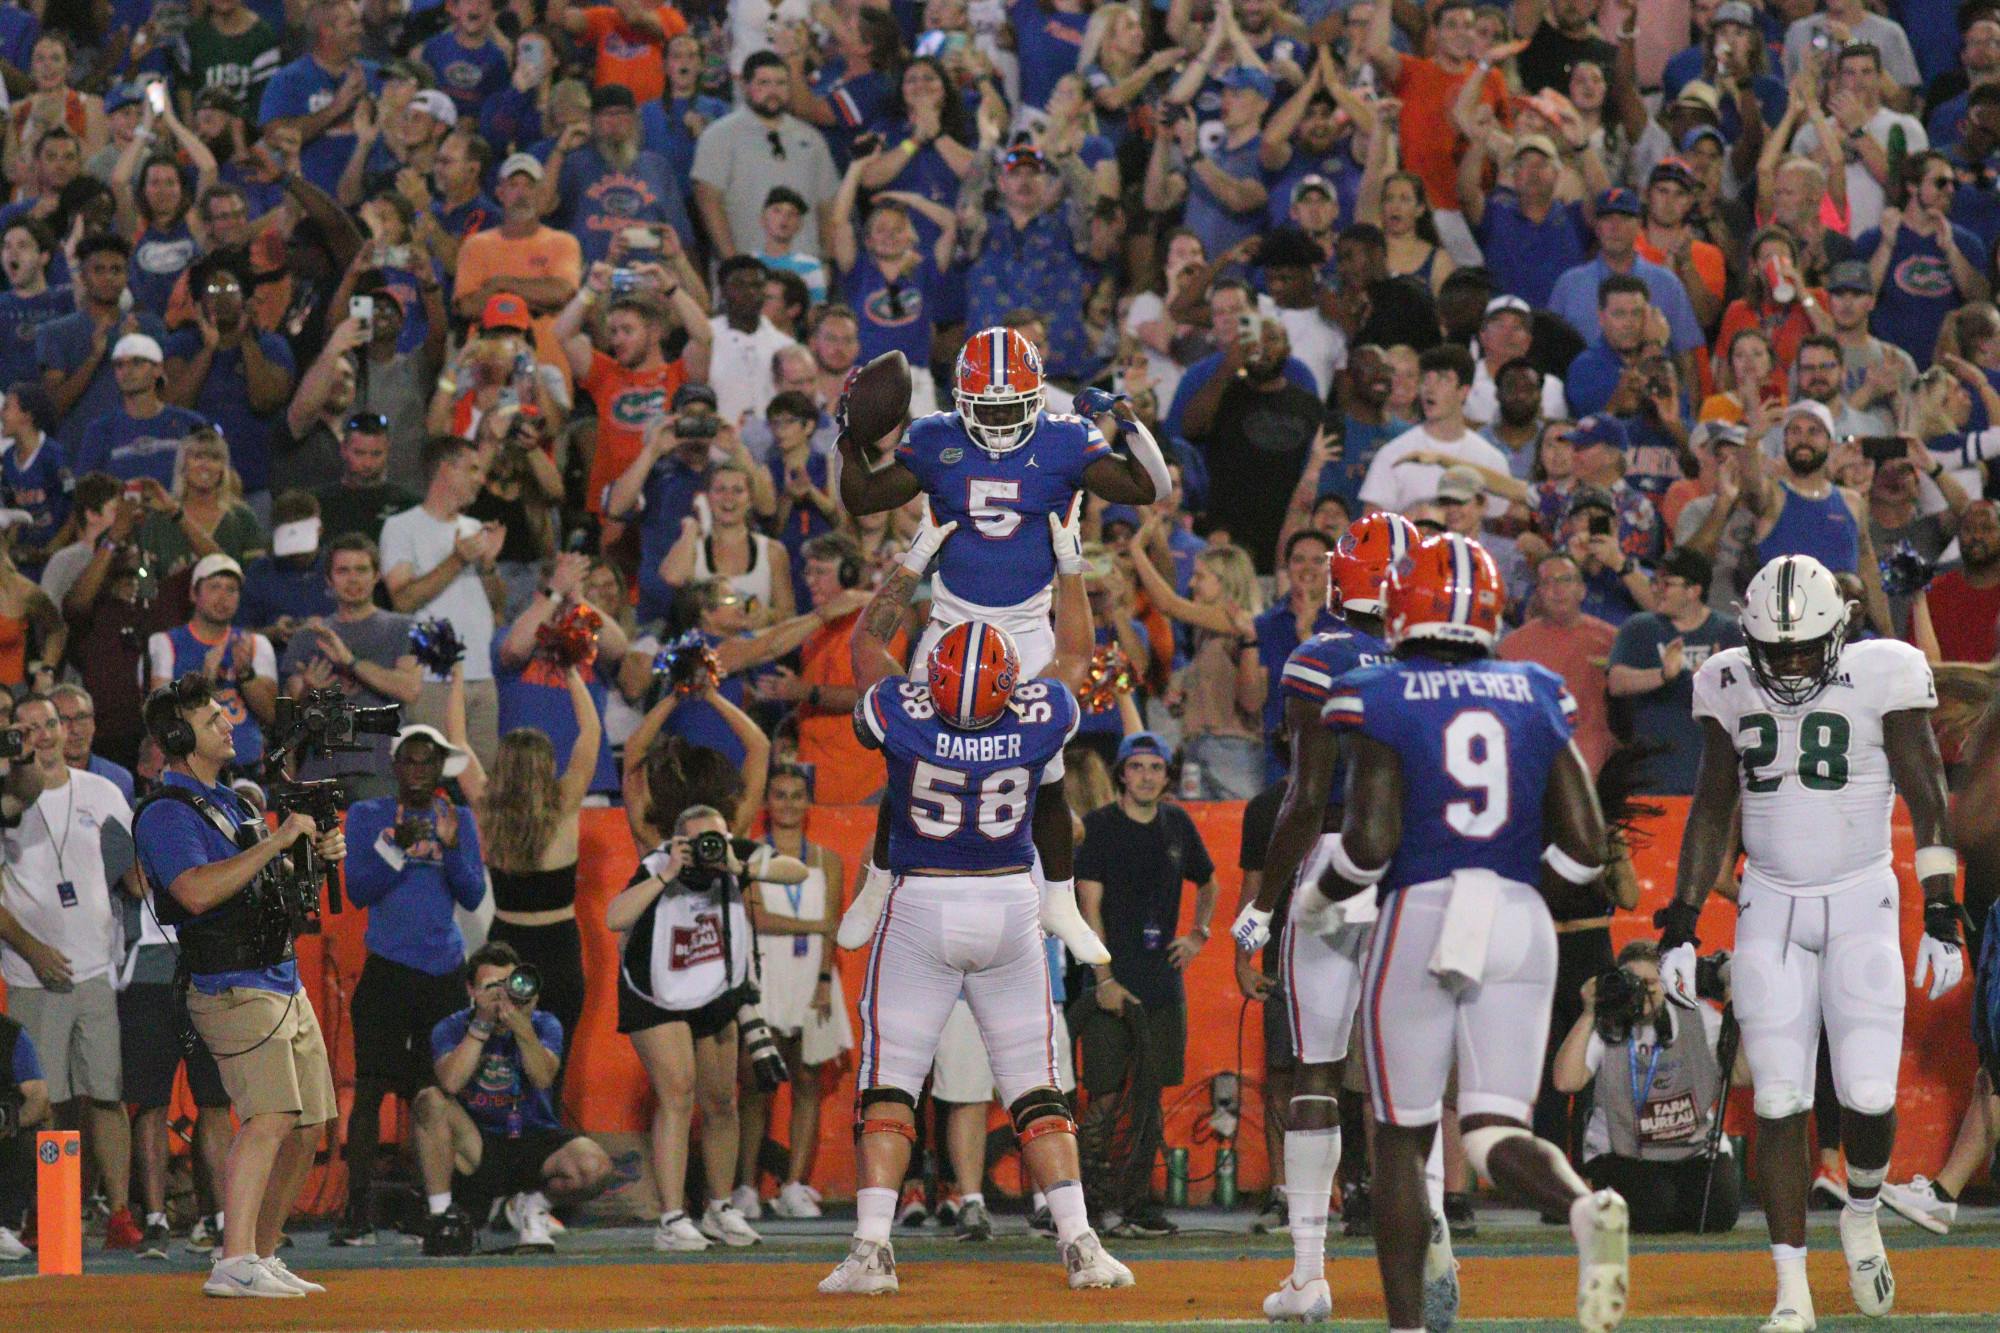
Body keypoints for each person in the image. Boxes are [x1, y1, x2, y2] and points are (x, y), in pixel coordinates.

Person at [1305, 532, 1629, 1333]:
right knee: (1491, 1132)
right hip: (1518, 918)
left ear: (1402, 602)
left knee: (1402, 1138)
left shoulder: (1375, 691)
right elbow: (1590, 845)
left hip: (1421, 912)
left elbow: (1372, 840)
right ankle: (1586, 1211)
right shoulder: (1533, 686)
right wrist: (1512, 887)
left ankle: (1409, 1327)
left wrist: (1322, 897)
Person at [821, 495, 1130, 1295]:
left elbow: (864, 643)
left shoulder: (904, 712)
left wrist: (916, 555)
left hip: (922, 902)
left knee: (890, 1081)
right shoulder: (1034, 716)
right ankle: (1082, 1244)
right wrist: (1069, 569)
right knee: (1035, 1083)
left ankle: (871, 1250)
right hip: (1006, 905)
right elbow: (1073, 657)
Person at [1657, 553, 1965, 1331]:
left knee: (1867, 1096)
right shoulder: (1727, 678)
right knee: (1782, 1096)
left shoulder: (1884, 670)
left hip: (1863, 899)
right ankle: (1789, 1284)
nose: (1792, 664)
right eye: (1778, 650)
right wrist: (1681, 919)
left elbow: (1927, 787)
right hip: (1772, 906)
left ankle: (1861, 1210)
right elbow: (1711, 802)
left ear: (1838, 632)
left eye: (1805, 648)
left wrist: (1938, 906)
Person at [1231, 513, 1466, 1322]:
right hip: (1421, 868)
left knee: (1318, 1070)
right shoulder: (1442, 656)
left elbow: (1302, 798)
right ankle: (1435, 1230)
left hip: (1336, 865)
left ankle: (1308, 1269)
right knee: (1416, 1072)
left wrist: (1261, 907)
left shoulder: (1321, 657)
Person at [132, 674, 346, 1298]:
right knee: (270, 1116)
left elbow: (266, 876)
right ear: (178, 738)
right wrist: (278, 839)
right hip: (230, 981)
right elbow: (195, 890)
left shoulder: (233, 802)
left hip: (278, 975)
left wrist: (310, 852)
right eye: (212, 719)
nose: (230, 724)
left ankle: (262, 1253)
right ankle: (231, 1259)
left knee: (307, 1125)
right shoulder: (166, 813)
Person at [836, 326, 1167, 678]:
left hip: (1027, 628)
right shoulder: (936, 438)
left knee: (1044, 726)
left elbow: (1149, 488)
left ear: (1037, 397)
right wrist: (848, 437)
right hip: (950, 619)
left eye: (1010, 408)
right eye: (986, 409)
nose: (997, 422)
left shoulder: (1065, 439)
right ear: (960, 401)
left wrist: (1123, 415)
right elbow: (862, 498)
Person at [608, 801, 792, 1252]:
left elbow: (796, 872)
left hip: (713, 990)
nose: (710, 847)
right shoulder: (659, 864)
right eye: (700, 840)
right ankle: (671, 1218)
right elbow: (615, 917)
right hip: (655, 993)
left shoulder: (730, 856)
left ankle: (719, 1207)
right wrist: (667, 873)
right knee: (677, 1094)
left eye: (718, 837)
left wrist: (736, 862)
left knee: (722, 1101)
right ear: (679, 841)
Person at [1, 693, 140, 1251]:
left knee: (106, 1093)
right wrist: (32, 949)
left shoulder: (103, 792)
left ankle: (120, 1213)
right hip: (35, 975)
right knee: (47, 1099)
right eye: (29, 727)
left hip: (94, 971)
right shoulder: (8, 799)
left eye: (51, 723)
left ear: (67, 729)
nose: (44, 734)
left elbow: (133, 874)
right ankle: (50, 1212)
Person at [413, 941, 614, 1254]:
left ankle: (532, 1206)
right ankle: (439, 1217)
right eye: (492, 986)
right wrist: (481, 1024)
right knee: (430, 1101)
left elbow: (543, 1077)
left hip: (534, 1138)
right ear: (471, 989)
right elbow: (451, 1082)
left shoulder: (543, 1024)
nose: (501, 995)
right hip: (478, 1145)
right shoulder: (451, 1027)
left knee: (594, 1165)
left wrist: (521, 1028)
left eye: (508, 985)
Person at [1550, 939, 1746, 1235]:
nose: (1643, 991)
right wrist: (1590, 1012)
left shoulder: (1697, 1016)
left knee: (1718, 1214)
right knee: (1652, 1212)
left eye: (1651, 982)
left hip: (1695, 1150)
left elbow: (1741, 1076)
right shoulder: (1608, 1024)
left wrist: (1737, 1008)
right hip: (1625, 1153)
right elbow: (1566, 1080)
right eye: (1634, 983)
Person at [731, 765, 851, 1220]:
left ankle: (795, 1185)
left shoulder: (826, 860)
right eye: (779, 795)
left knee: (807, 1083)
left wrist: (823, 981)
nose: (787, 804)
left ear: (807, 802)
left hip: (810, 979)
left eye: (796, 796)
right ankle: (744, 1186)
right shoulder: (752, 858)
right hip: (764, 978)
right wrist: (818, 925)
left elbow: (831, 933)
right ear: (767, 802)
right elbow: (756, 919)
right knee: (756, 1086)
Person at [381, 435, 504, 766]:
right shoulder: (401, 527)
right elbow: (403, 599)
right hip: (435, 680)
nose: (481, 478)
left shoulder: (473, 527)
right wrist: (457, 560)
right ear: (446, 470)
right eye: (473, 469)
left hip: (482, 674)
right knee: (434, 777)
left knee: (485, 786)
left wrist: (489, 565)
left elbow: (497, 607)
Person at [276, 535, 420, 802]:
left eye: (362, 570)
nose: (353, 579)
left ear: (377, 575)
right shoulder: (308, 637)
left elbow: (409, 689)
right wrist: (309, 690)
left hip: (381, 772)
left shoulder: (402, 628)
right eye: (343, 571)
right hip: (319, 773)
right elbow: (288, 714)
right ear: (329, 580)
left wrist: (350, 663)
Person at [1738, 401, 1892, 636]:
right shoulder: (1774, 497)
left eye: (1814, 431)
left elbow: (1868, 572)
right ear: (1784, 442)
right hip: (1787, 638)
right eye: (1795, 431)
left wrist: (1888, 635)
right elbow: (1751, 489)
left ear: (1830, 443)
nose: (1804, 439)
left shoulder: (1851, 502)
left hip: (1847, 638)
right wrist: (1750, 443)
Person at [1605, 550, 1742, 795]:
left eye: (1666, 583)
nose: (1656, 589)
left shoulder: (1729, 632)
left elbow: (1752, 695)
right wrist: (1663, 675)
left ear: (1693, 591)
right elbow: (1616, 682)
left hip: (1711, 779)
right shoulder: (1640, 628)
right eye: (1655, 581)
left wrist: (1717, 682)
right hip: (1651, 777)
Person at [146, 553, 279, 773]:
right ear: (193, 593)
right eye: (214, 587)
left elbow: (271, 715)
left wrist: (246, 674)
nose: (223, 597)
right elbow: (160, 717)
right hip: (191, 768)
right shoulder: (166, 643)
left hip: (247, 769)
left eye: (231, 589)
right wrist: (203, 682)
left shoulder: (256, 644)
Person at [0, 1002, 49, 1260]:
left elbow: (39, 1099)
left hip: (3, 1134)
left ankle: (4, 1225)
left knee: (31, 1137)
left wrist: (9, 1122)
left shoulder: (11, 1035)